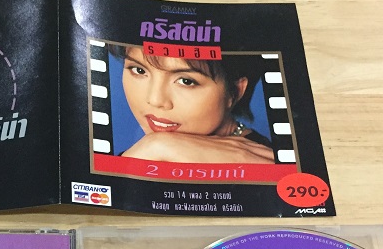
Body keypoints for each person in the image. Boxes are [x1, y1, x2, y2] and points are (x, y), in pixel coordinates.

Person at [113, 45, 274, 164]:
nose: (155, 100)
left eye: (186, 81)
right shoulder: (150, 146)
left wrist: (156, 147)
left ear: (235, 92)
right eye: (139, 70)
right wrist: (156, 146)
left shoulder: (259, 161)